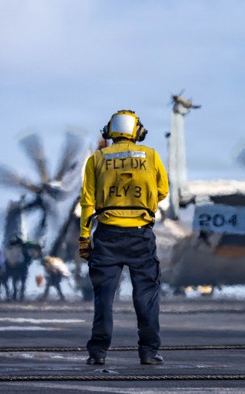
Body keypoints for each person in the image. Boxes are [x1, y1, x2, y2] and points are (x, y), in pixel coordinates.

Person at [78, 110, 168, 366]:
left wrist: (84, 238)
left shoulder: (97, 158)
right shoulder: (150, 155)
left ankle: (98, 352)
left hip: (107, 235)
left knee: (104, 297)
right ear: (136, 132)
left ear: (110, 131)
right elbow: (163, 190)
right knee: (146, 295)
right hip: (140, 235)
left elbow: (87, 202)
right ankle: (149, 351)